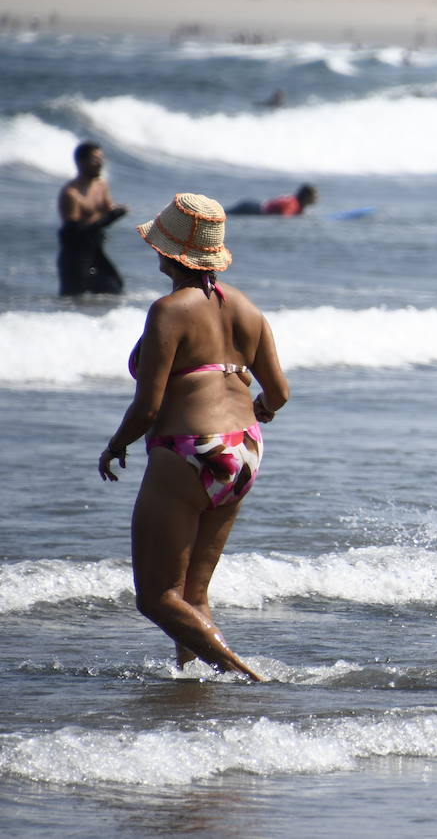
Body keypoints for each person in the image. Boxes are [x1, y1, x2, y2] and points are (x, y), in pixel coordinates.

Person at [98, 193, 289, 681]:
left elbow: (149, 405)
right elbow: (280, 392)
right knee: (192, 594)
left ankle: (244, 674)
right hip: (243, 449)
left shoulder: (169, 310)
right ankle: (191, 684)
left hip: (187, 450)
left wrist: (116, 443)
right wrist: (258, 409)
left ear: (169, 253)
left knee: (157, 597)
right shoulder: (247, 309)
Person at [57, 141, 128, 296]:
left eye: (101, 159)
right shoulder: (71, 193)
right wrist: (109, 218)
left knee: (114, 286)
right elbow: (74, 231)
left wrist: (119, 211)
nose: (100, 163)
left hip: (95, 247)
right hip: (75, 253)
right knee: (74, 294)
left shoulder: (100, 185)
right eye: (95, 159)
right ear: (81, 162)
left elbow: (108, 209)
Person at [226, 184, 318, 217]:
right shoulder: (293, 204)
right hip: (251, 208)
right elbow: (283, 218)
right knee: (223, 214)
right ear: (307, 197)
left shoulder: (296, 203)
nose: (317, 199)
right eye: (314, 196)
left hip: (254, 206)